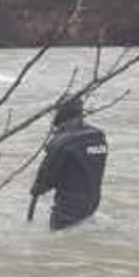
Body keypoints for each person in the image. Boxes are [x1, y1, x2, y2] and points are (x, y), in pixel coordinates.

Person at [30, 94, 108, 230]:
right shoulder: (98, 136)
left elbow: (46, 177)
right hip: (91, 206)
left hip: (67, 214)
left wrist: (37, 189)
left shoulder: (62, 142)